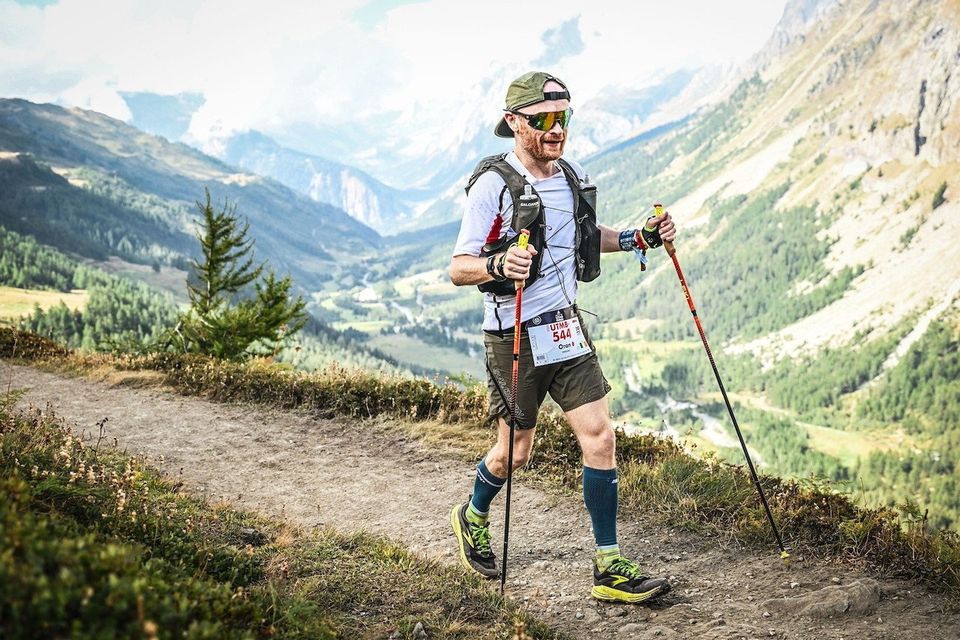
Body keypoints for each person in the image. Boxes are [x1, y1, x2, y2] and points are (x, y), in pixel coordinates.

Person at [448, 71, 676, 604]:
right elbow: (459, 268)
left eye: (564, 117)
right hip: (515, 336)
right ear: (513, 123)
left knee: (599, 437)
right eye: (543, 120)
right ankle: (474, 514)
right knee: (515, 452)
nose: (556, 130)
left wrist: (636, 237)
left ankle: (609, 565)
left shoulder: (569, 177)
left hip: (564, 327)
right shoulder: (493, 184)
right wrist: (500, 262)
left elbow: (583, 235)